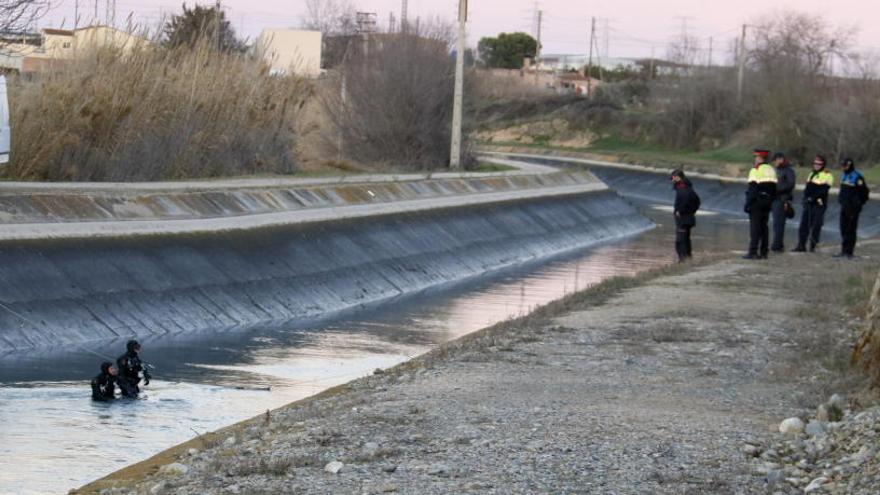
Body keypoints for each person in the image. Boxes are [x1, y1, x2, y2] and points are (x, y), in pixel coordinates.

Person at [794, 155, 834, 253]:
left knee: (816, 225)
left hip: (819, 204)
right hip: (809, 204)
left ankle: (813, 246)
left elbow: (824, 190)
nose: (816, 165)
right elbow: (807, 188)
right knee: (804, 225)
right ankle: (801, 245)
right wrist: (805, 198)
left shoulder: (828, 175)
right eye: (815, 163)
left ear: (823, 164)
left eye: (819, 164)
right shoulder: (811, 174)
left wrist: (812, 198)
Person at [743, 148, 778, 259]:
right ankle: (764, 252)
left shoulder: (756, 170)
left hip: (756, 202)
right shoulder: (771, 169)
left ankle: (753, 252)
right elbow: (774, 188)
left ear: (759, 158)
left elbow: (753, 188)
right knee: (764, 227)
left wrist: (748, 203)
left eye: (756, 157)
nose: (755, 159)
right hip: (767, 202)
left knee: (755, 227)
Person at [836, 158, 870, 258]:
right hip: (844, 206)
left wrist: (858, 204)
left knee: (850, 230)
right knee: (843, 228)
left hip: (853, 208)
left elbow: (864, 192)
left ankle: (849, 252)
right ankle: (843, 250)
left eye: (845, 166)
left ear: (849, 165)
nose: (843, 167)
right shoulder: (844, 176)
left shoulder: (857, 176)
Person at [671, 169, 701, 262]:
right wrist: (692, 211)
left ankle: (683, 260)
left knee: (680, 241)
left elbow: (686, 201)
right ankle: (687, 258)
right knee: (686, 239)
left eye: (673, 178)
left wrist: (680, 211)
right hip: (689, 218)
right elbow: (697, 201)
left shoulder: (682, 189)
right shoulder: (688, 188)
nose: (672, 180)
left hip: (683, 219)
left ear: (678, 178)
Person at [770, 152, 796, 252]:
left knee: (779, 223)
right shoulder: (777, 170)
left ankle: (777, 246)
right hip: (775, 199)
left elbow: (790, 184)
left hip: (782, 200)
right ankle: (777, 244)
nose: (774, 163)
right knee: (776, 223)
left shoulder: (789, 171)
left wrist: (776, 189)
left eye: (775, 160)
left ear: (780, 159)